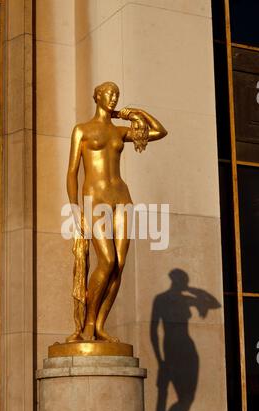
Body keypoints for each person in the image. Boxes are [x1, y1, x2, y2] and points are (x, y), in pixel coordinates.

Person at [66, 81, 167, 342]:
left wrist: (133, 113)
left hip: (121, 197)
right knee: (107, 261)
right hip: (95, 198)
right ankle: (87, 323)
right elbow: (71, 172)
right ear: (97, 97)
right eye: (109, 94)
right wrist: (75, 209)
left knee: (119, 265)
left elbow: (159, 131)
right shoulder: (82, 130)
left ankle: (100, 325)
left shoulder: (119, 132)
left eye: (117, 95)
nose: (113, 98)